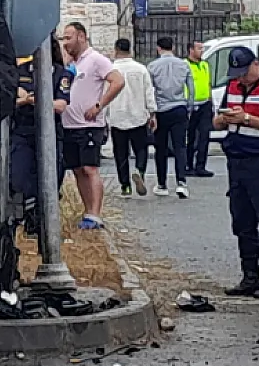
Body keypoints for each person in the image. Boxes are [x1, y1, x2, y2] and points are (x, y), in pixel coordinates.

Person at [213, 46, 259, 298]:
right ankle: (250, 276)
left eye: (245, 72)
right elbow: (216, 120)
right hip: (236, 162)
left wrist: (246, 119)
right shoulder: (233, 86)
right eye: (237, 73)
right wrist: (224, 119)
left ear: (257, 64)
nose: (241, 78)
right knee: (242, 223)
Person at [60, 23, 125, 230]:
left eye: (69, 38)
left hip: (89, 125)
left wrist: (99, 105)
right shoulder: (72, 62)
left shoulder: (95, 59)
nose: (65, 43)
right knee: (78, 169)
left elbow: (117, 81)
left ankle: (96, 213)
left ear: (81, 36)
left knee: (90, 168)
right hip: (69, 124)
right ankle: (87, 211)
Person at [10, 46, 72, 237]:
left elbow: (60, 105)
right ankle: (25, 216)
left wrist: (32, 100)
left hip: (50, 132)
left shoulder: (61, 74)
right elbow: (10, 97)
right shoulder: (21, 71)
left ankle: (39, 222)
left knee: (51, 176)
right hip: (22, 130)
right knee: (19, 175)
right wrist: (24, 100)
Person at [106, 39, 157, 198]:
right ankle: (140, 171)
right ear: (131, 49)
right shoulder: (141, 69)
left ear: (115, 50)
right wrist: (152, 113)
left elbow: (105, 94)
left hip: (117, 116)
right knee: (141, 148)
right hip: (138, 115)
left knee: (120, 152)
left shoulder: (110, 70)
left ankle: (125, 185)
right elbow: (149, 92)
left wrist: (103, 115)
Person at [147, 37, 193, 198]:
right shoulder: (184, 65)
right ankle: (182, 182)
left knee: (161, 148)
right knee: (180, 146)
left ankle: (162, 184)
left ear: (158, 48)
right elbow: (190, 88)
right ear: (173, 47)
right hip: (179, 107)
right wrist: (189, 107)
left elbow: (150, 91)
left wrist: (151, 113)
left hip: (161, 110)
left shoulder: (152, 66)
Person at [187, 41, 217, 178]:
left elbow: (208, 84)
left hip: (205, 104)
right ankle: (188, 165)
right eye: (199, 48)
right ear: (191, 50)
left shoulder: (205, 65)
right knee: (190, 136)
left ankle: (201, 166)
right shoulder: (185, 65)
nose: (202, 51)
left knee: (204, 136)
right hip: (190, 105)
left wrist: (212, 102)